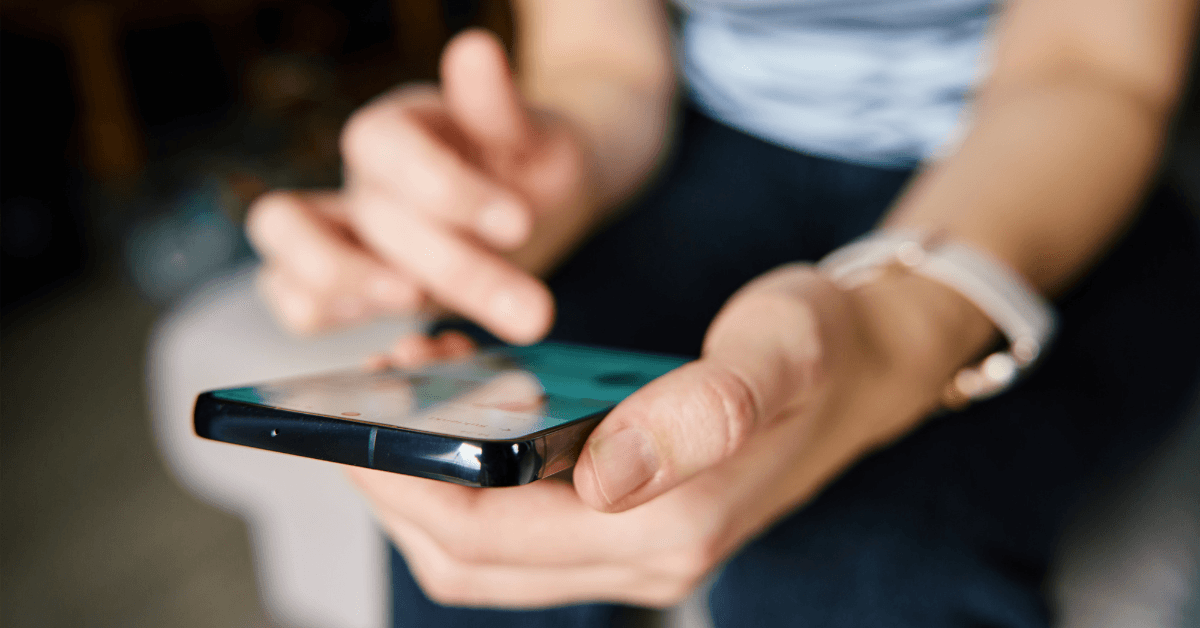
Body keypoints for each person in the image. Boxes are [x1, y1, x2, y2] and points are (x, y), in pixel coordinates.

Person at [244, 0, 1200, 626]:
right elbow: (600, 59)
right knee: (482, 476)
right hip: (708, 147)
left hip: (1051, 166)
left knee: (867, 568)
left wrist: (892, 336)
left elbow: (1089, 69)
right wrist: (528, 178)